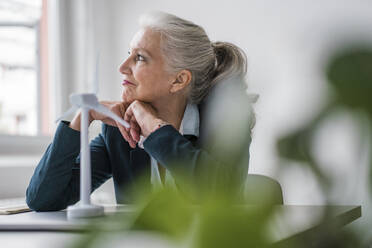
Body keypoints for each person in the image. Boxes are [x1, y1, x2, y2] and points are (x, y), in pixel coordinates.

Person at [26, 12, 253, 211]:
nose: (122, 67)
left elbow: (219, 197)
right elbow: (42, 199)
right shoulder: (119, 131)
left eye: (140, 58)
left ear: (179, 80)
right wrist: (81, 117)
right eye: (128, 53)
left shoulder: (225, 123)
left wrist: (154, 127)